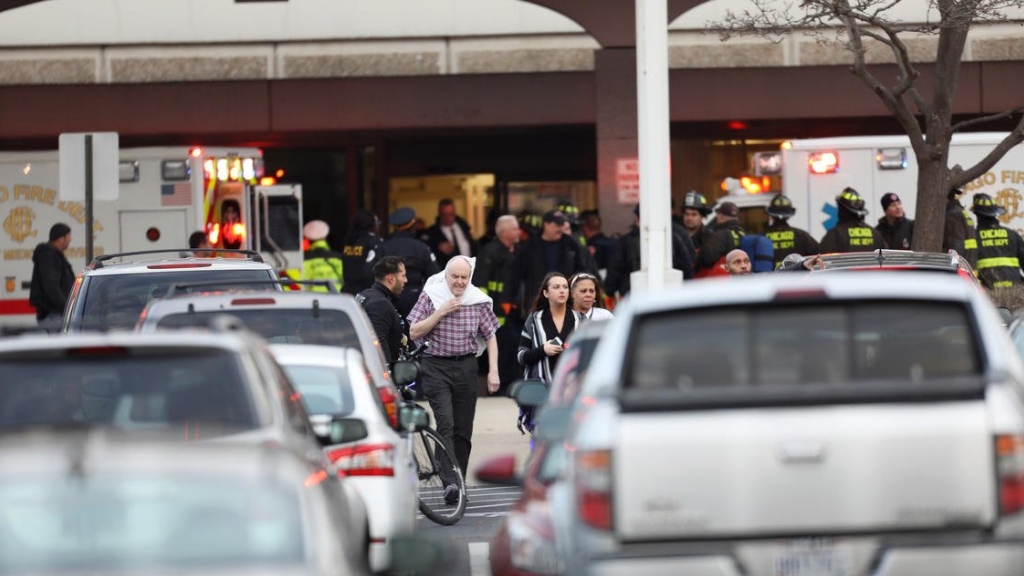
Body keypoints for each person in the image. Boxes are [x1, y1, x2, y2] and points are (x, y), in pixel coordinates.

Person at [407, 256, 500, 504]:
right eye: (454, 276)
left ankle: (459, 480)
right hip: (436, 366)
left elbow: (491, 336)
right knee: (445, 423)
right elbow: (413, 331)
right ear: (445, 276)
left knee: (463, 430)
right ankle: (449, 483)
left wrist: (493, 371)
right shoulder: (431, 296)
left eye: (464, 277)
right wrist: (441, 311)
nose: (459, 282)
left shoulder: (477, 300)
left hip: (467, 366)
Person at [516, 272, 586, 434]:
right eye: (556, 287)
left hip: (573, 391)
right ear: (546, 293)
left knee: (571, 439)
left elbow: (590, 356)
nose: (562, 291)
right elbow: (521, 356)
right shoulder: (534, 320)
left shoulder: (580, 320)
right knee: (544, 440)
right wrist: (543, 350)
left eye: (565, 287)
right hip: (541, 390)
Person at [500, 209, 599, 320]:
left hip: (565, 301)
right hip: (538, 300)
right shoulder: (530, 247)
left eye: (562, 225)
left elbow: (582, 271)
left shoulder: (571, 245)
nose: (560, 229)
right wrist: (507, 299)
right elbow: (514, 274)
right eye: (557, 225)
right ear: (546, 225)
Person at [472, 214, 522, 396]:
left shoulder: (517, 251)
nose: (519, 232)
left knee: (513, 350)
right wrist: (486, 313)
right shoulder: (490, 252)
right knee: (501, 352)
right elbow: (481, 285)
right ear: (504, 232)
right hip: (496, 314)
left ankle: (512, 387)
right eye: (515, 228)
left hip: (515, 313)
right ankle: (499, 390)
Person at [604, 204, 694, 298]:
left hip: (634, 297)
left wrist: (609, 291)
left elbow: (614, 273)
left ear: (637, 220)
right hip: (669, 296)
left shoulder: (625, 242)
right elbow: (687, 266)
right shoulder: (672, 238)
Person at [377, 207, 440, 318]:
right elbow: (434, 275)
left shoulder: (383, 247)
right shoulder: (421, 247)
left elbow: (375, 274)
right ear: (413, 224)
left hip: (389, 295)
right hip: (414, 296)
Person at [356, 256, 407, 364]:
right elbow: (378, 344)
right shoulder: (380, 304)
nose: (405, 280)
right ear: (391, 279)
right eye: (403, 275)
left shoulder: (364, 294)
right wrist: (386, 374)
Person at [971, 193, 1024, 290]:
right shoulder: (1012, 235)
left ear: (977, 215)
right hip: (1014, 289)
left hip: (988, 290)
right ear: (995, 214)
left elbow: (969, 266)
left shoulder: (974, 237)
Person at [29, 222, 74, 330]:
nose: (70, 239)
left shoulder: (52, 255)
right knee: (59, 345)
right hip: (54, 314)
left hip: (56, 313)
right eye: (68, 236)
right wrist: (65, 308)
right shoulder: (49, 256)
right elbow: (51, 286)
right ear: (61, 238)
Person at [819, 187, 887, 253]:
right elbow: (886, 259)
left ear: (842, 209)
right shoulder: (876, 234)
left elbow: (822, 260)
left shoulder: (835, 235)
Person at [764, 194, 819, 268]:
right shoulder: (802, 236)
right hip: (797, 278)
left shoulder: (761, 237)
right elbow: (817, 257)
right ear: (789, 215)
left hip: (767, 279)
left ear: (770, 215)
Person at [420, 198, 477, 269]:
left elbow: (473, 247)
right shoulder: (433, 232)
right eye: (444, 215)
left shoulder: (463, 227)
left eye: (450, 214)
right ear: (439, 214)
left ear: (454, 212)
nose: (447, 218)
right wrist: (437, 246)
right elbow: (424, 246)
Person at [695, 201, 745, 276]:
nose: (717, 217)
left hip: (721, 280)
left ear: (721, 216)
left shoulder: (721, 235)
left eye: (718, 214)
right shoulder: (742, 233)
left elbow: (706, 257)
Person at [341, 209, 384, 295]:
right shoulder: (374, 242)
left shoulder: (349, 241)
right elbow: (373, 269)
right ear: (373, 226)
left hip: (347, 290)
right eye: (378, 223)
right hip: (365, 291)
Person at [301, 220, 344, 292]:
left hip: (313, 299)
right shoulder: (338, 257)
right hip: (336, 297)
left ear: (307, 238)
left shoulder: (303, 259)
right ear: (326, 237)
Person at [944, 187, 979, 267]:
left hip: (960, 268)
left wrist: (953, 267)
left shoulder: (952, 215)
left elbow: (955, 246)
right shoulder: (961, 212)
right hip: (969, 266)